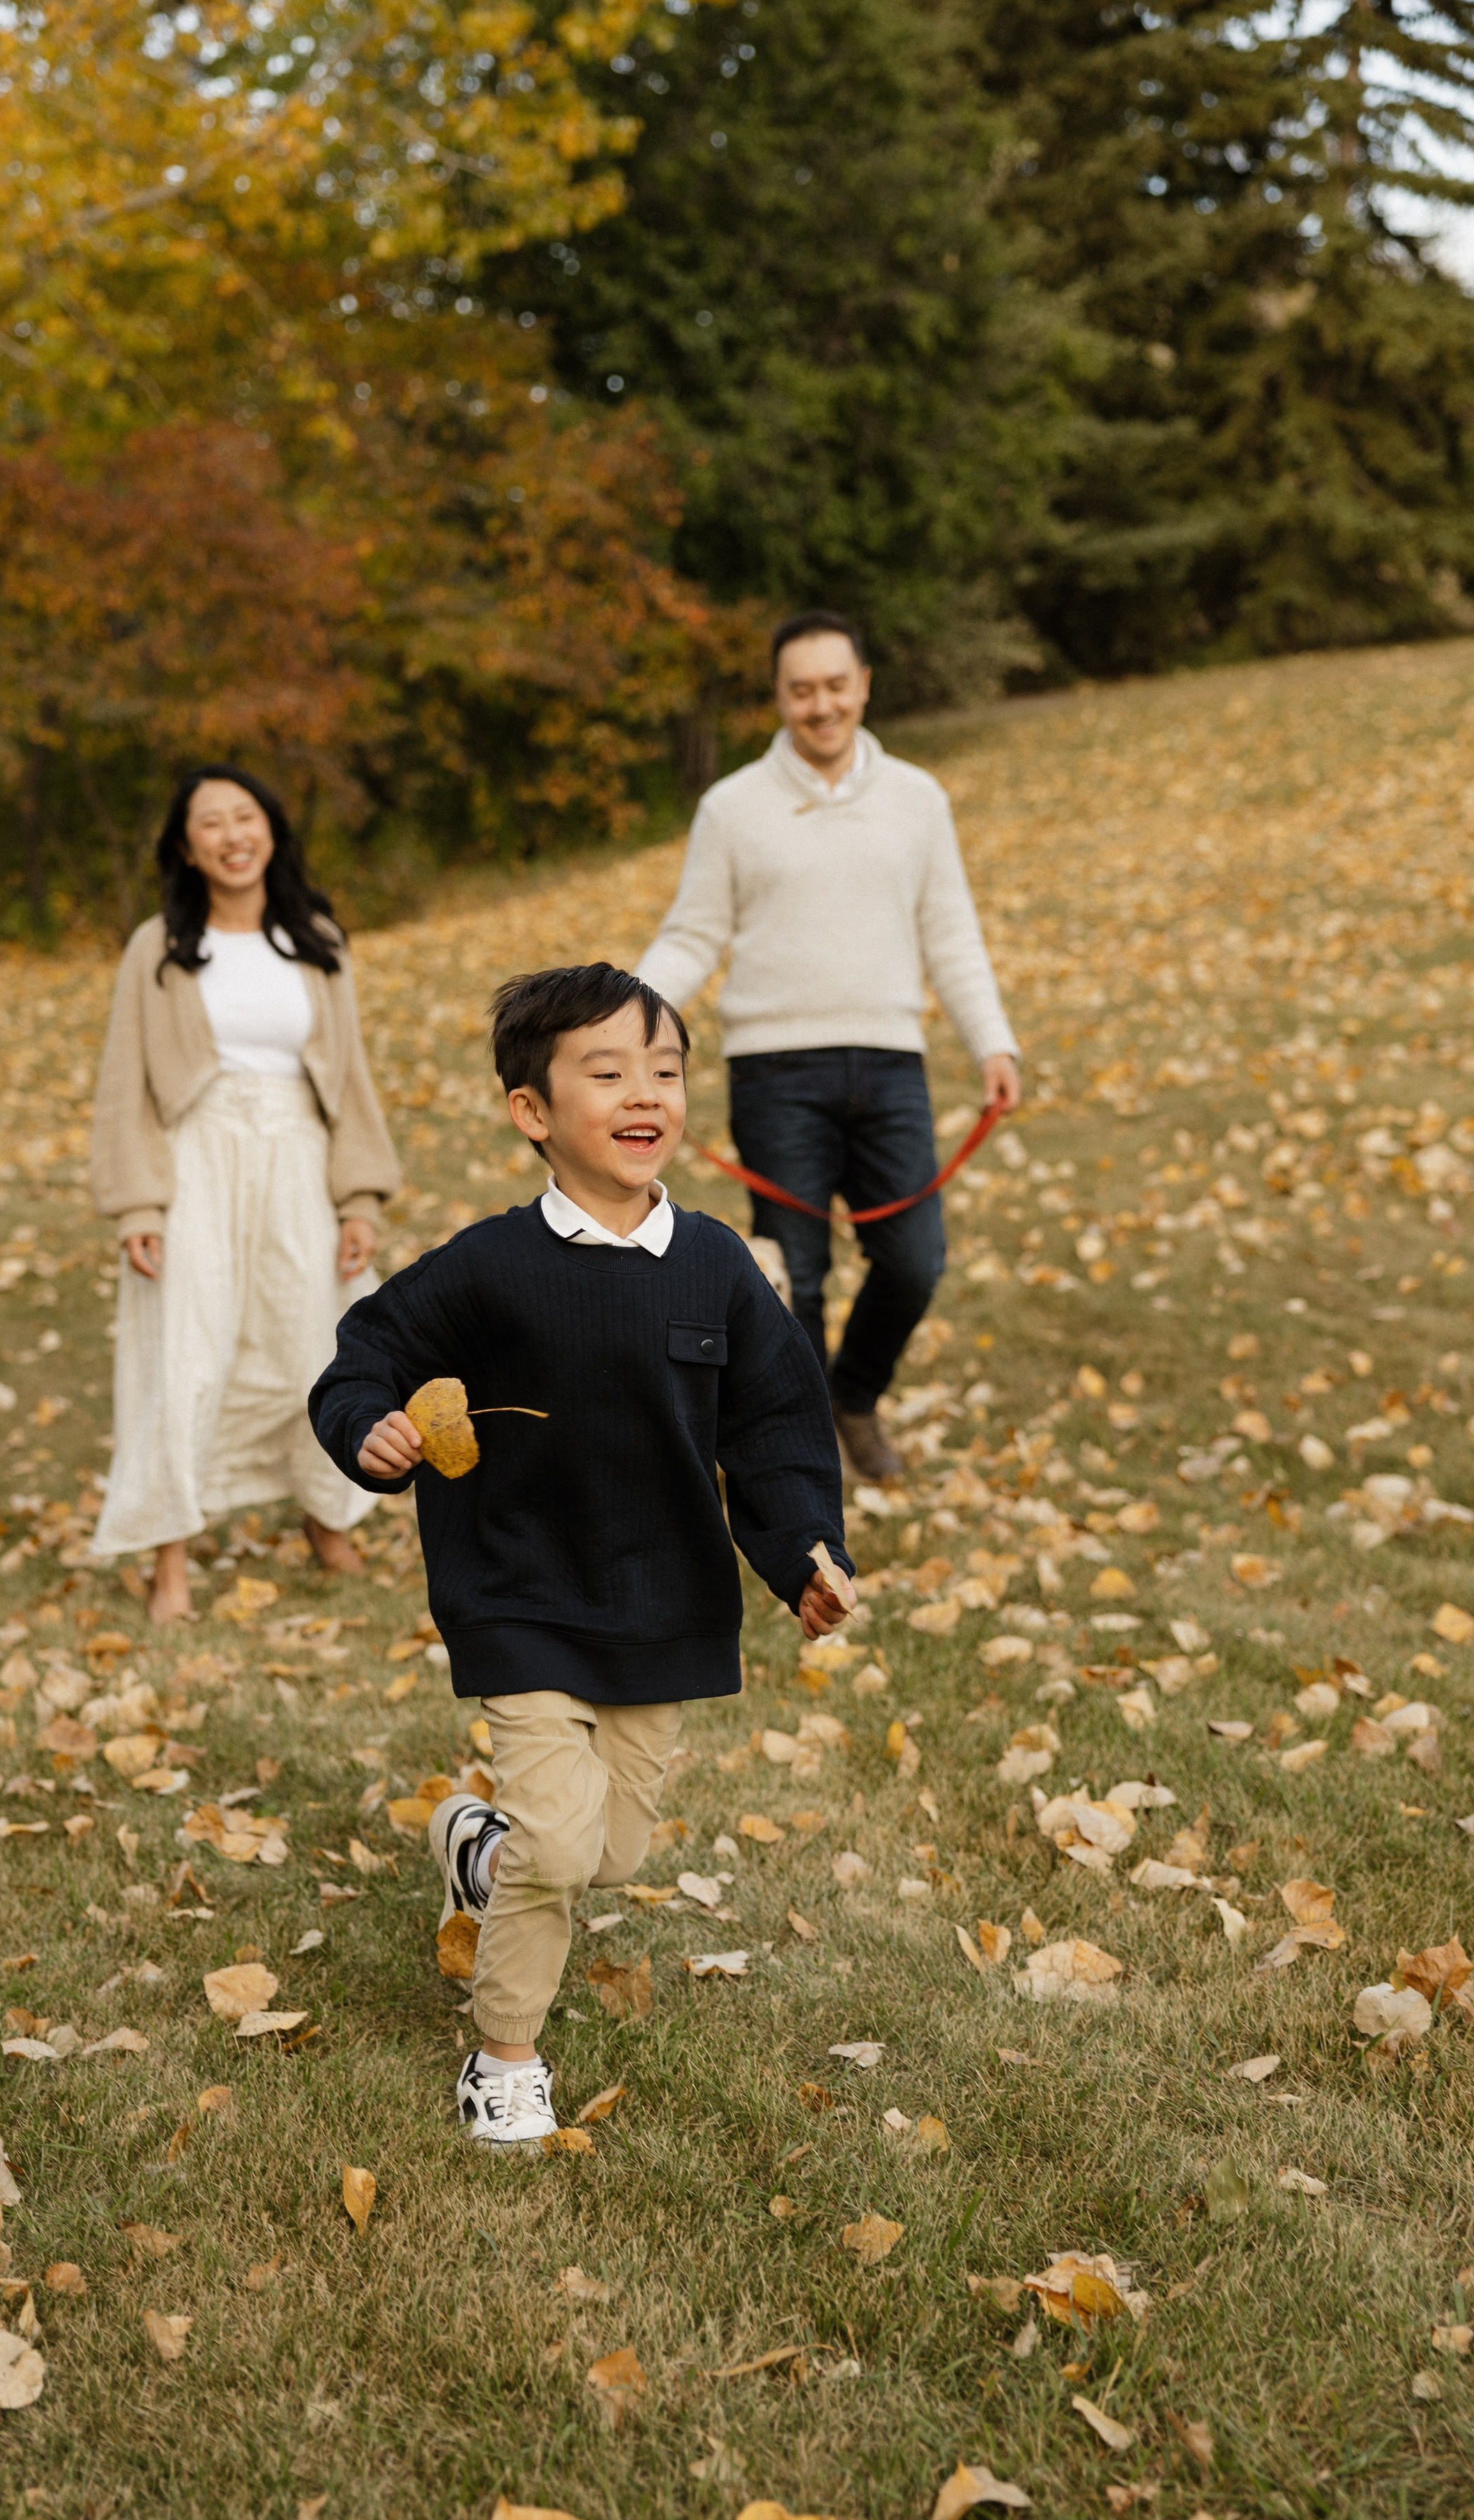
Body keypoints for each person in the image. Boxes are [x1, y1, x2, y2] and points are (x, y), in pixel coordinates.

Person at [309, 962, 852, 2145]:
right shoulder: (492, 1266)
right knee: (561, 1849)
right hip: (519, 1588)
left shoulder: (715, 1265)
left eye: (664, 1070)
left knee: (608, 1856)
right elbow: (364, 1354)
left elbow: (771, 1424)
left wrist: (804, 1553)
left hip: (663, 1602)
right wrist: (371, 1426)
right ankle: (504, 2055)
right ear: (534, 1113)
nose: (643, 1092)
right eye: (606, 1072)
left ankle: (481, 1846)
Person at [636, 609, 1020, 1482]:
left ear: (864, 686)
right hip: (776, 1072)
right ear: (778, 697)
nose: (821, 706)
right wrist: (627, 1013)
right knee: (793, 1277)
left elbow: (949, 933)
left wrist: (992, 1042)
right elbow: (695, 934)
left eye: (835, 686)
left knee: (916, 1261)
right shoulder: (731, 807)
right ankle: (808, 1441)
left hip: (890, 1062)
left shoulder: (918, 799)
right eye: (801, 690)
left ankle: (855, 1393)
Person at [89, 764, 401, 1619]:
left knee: (313, 1340)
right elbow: (127, 1083)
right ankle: (171, 1561)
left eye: (245, 817)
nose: (231, 836)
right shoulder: (158, 948)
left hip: (298, 1158)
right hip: (197, 1162)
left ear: (270, 830)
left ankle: (327, 1520)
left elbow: (351, 1082)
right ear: (187, 849)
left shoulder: (318, 942)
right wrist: (138, 1205)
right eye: (210, 824)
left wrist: (359, 1198)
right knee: (186, 1352)